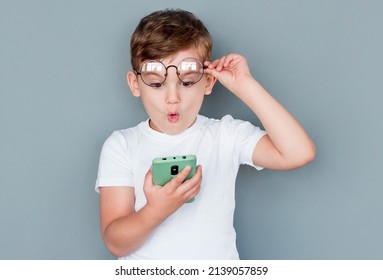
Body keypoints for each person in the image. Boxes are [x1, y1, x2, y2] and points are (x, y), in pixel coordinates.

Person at [95, 8, 315, 260]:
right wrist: (156, 210)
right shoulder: (122, 145)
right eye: (156, 83)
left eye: (187, 81)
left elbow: (299, 153)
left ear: (208, 82)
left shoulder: (226, 135)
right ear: (135, 84)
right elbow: (116, 244)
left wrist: (244, 85)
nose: (173, 97)